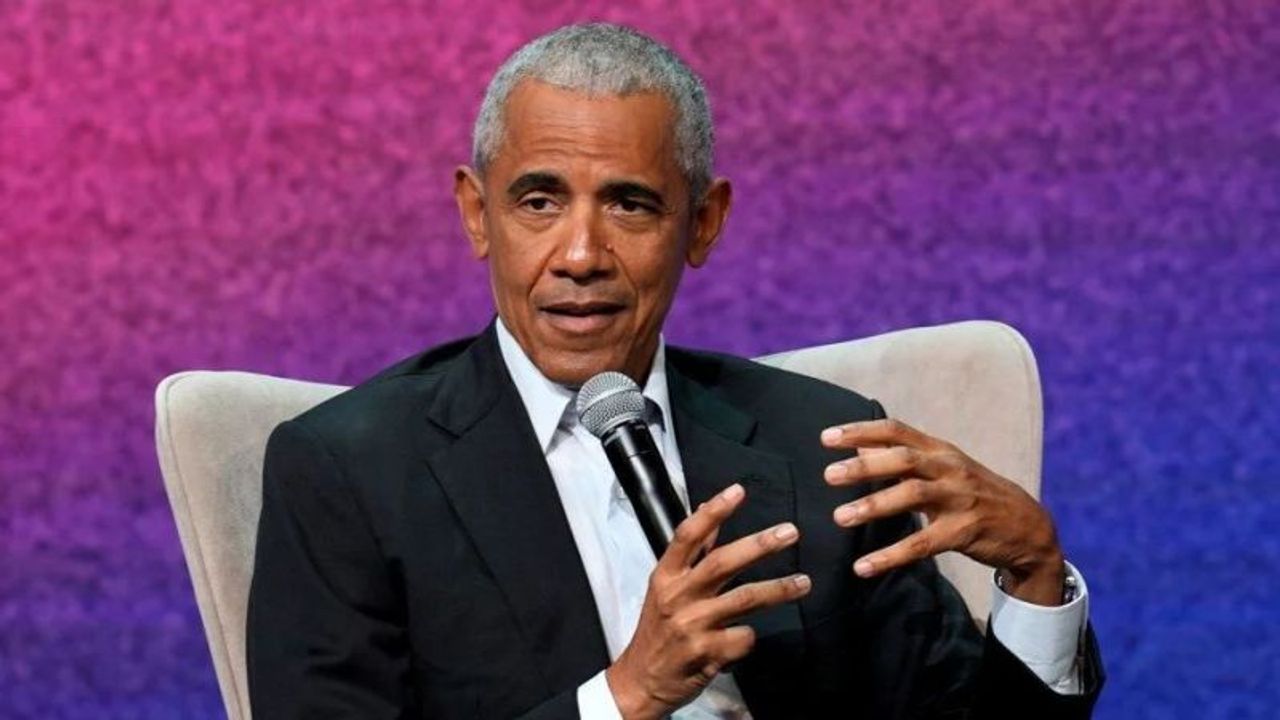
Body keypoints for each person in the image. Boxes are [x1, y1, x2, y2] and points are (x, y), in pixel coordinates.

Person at [247, 23, 1103, 719]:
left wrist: (1035, 574)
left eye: (631, 204)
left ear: (703, 224)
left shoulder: (821, 443)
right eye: (540, 201)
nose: (581, 255)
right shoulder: (348, 470)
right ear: (478, 214)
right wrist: (625, 697)